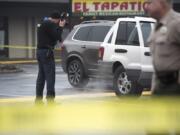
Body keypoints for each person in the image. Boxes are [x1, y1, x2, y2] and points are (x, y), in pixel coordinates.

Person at [145, 0, 180, 95]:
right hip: (160, 86)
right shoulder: (157, 25)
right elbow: (158, 63)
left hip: (175, 87)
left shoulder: (176, 23)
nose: (146, 6)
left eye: (149, 2)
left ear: (161, 3)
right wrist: (154, 88)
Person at [35, 10, 66, 104]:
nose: (58, 22)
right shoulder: (50, 23)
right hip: (47, 53)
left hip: (40, 52)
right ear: (56, 19)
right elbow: (57, 36)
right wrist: (60, 27)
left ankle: (38, 98)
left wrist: (58, 29)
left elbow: (53, 36)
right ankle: (50, 99)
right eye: (58, 21)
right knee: (50, 76)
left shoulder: (43, 23)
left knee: (41, 76)